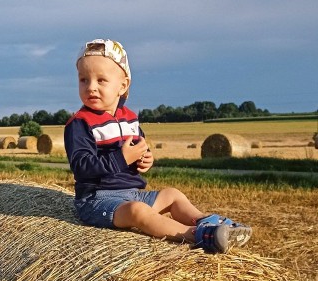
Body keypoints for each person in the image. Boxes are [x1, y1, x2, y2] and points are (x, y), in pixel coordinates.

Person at [64, 38, 252, 253]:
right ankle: (194, 235)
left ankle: (205, 221)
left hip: (133, 192)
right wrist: (121, 158)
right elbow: (81, 166)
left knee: (172, 194)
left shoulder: (130, 119)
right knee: (138, 211)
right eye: (83, 80)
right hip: (97, 200)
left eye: (101, 80)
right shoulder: (79, 123)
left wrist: (144, 160)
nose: (91, 87)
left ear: (122, 85)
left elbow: (140, 149)